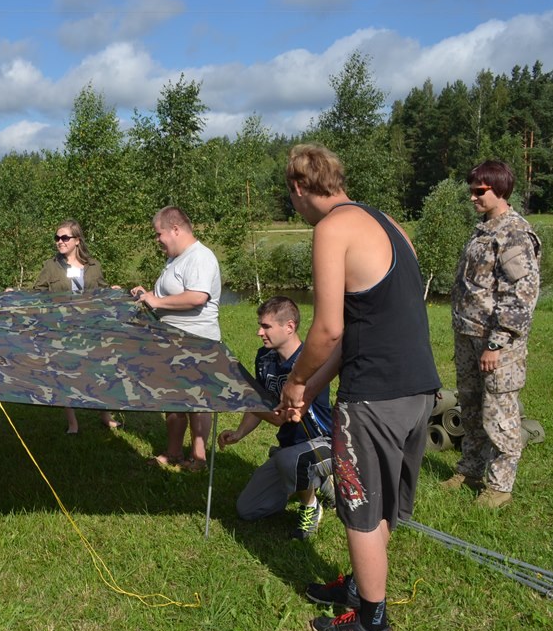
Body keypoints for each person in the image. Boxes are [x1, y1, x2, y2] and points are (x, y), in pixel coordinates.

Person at [276, 144, 440, 631]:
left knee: (359, 507)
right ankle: (358, 588)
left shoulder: (332, 229)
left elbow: (327, 329)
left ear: (299, 187)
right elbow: (360, 329)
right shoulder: (390, 224)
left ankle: (372, 626)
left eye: (291, 198)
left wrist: (294, 381)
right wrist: (313, 387)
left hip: (374, 398)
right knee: (381, 502)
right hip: (419, 389)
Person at [444, 161, 540, 508]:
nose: (472, 197)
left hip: (495, 343)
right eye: (471, 190)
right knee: (470, 407)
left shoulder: (514, 233)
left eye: (479, 191)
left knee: (499, 412)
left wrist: (496, 343)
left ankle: (500, 486)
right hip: (468, 334)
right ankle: (470, 469)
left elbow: (521, 295)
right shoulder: (483, 229)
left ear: (499, 189)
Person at [218, 296, 334, 540]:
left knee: (290, 460)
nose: (259, 332)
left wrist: (238, 398)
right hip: (290, 448)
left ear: (289, 327)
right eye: (260, 325)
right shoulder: (264, 358)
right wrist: (239, 433)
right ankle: (317, 480)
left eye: (266, 326)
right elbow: (262, 403)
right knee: (248, 509)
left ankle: (311, 506)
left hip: (327, 444)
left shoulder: (311, 360)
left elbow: (283, 417)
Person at [130, 206, 221, 472]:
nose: (157, 239)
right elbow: (171, 295)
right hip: (173, 340)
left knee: (197, 401)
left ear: (175, 229)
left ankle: (198, 459)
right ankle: (173, 453)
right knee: (173, 398)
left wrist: (157, 301)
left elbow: (197, 297)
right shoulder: (176, 259)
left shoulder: (200, 257)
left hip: (197, 341)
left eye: (159, 234)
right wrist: (149, 295)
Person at [32, 219, 120, 434]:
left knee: (98, 370)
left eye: (65, 237)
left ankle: (105, 415)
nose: (59, 241)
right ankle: (73, 422)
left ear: (77, 240)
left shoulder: (94, 265)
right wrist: (15, 295)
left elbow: (102, 290)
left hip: (91, 327)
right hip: (62, 329)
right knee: (65, 373)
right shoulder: (50, 266)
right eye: (57, 238)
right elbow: (37, 292)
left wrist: (114, 291)